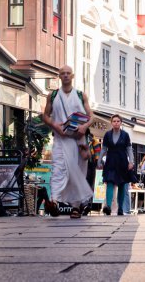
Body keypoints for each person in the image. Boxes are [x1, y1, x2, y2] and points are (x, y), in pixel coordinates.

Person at [42, 66, 93, 219]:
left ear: (73, 75)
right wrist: (55, 125)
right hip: (60, 139)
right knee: (58, 170)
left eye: (68, 73)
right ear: (59, 76)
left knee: (76, 173)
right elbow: (45, 115)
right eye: (62, 74)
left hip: (78, 140)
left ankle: (76, 207)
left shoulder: (80, 95)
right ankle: (54, 201)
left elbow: (91, 116)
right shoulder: (53, 95)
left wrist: (84, 127)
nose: (65, 76)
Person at [98, 115, 134, 215]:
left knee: (122, 185)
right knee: (109, 182)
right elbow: (104, 148)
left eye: (118, 121)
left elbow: (129, 149)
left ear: (121, 122)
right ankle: (108, 207)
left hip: (122, 162)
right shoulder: (107, 134)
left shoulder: (125, 135)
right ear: (111, 123)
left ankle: (120, 208)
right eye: (114, 121)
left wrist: (131, 161)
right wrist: (99, 160)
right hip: (110, 161)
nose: (116, 123)